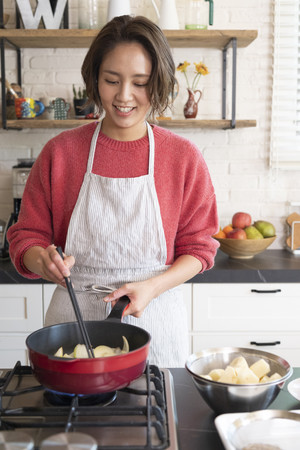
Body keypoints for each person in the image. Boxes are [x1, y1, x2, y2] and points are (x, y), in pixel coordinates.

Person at [7, 15, 219, 367]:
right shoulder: (61, 153)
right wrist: (41, 261)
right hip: (71, 327)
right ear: (95, 78)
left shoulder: (183, 158)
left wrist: (152, 286)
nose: (124, 96)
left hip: (155, 322)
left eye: (140, 83)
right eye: (111, 80)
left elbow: (199, 248)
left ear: (161, 83)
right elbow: (27, 236)